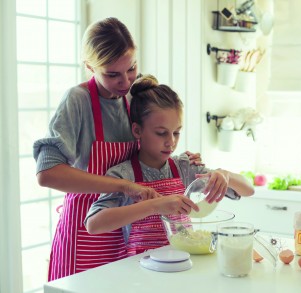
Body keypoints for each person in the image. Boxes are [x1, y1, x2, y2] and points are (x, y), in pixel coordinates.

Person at [33, 17, 202, 281]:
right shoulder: (77, 100)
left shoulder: (134, 96)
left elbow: (156, 137)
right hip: (86, 231)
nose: (125, 82)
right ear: (90, 66)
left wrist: (186, 159)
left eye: (131, 68)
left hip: (129, 233)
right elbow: (47, 174)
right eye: (112, 74)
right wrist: (123, 187)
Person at [84, 75, 255, 255]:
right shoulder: (123, 174)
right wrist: (155, 206)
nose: (171, 142)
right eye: (161, 133)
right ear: (137, 130)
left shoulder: (184, 167)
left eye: (176, 132)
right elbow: (94, 224)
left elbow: (248, 189)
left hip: (184, 262)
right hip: (141, 271)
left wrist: (224, 174)